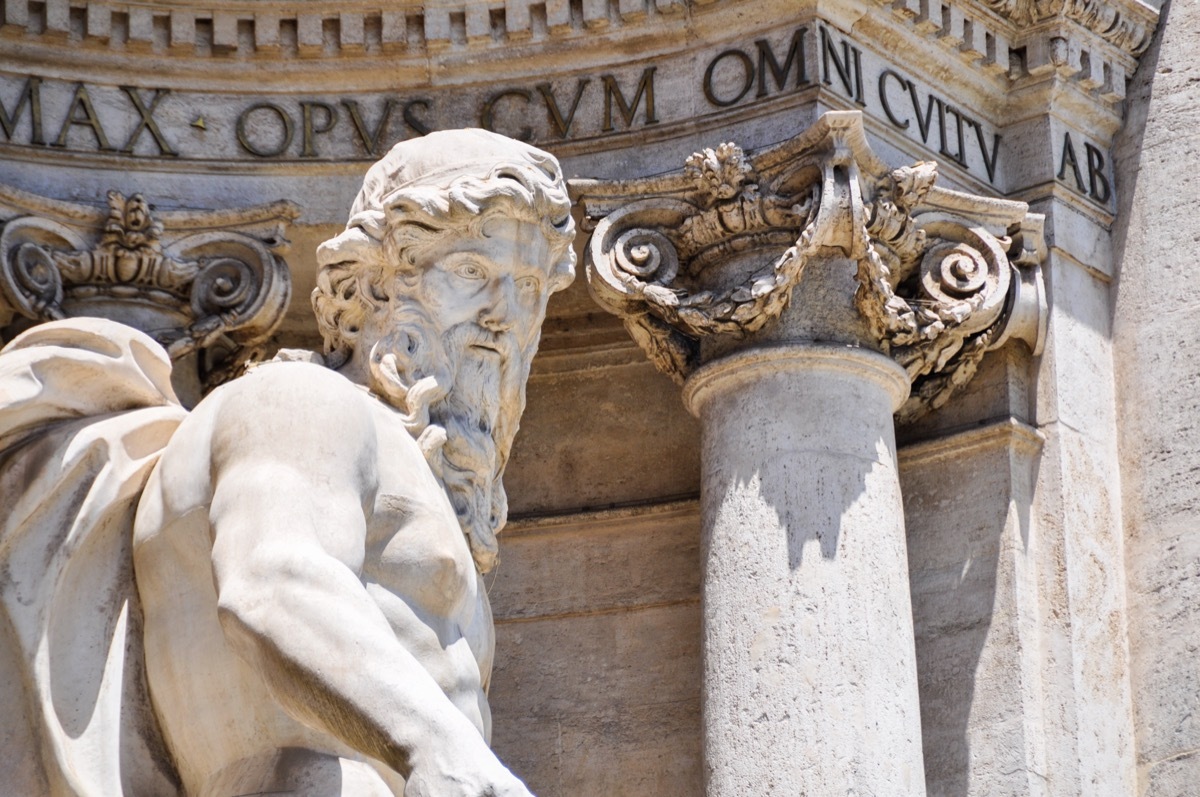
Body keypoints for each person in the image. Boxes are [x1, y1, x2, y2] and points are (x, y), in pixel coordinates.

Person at [124, 129, 576, 796]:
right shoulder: (300, 402)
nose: (505, 314)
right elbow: (274, 579)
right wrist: (435, 744)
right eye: (473, 273)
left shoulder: (420, 476)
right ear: (370, 284)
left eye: (529, 285)